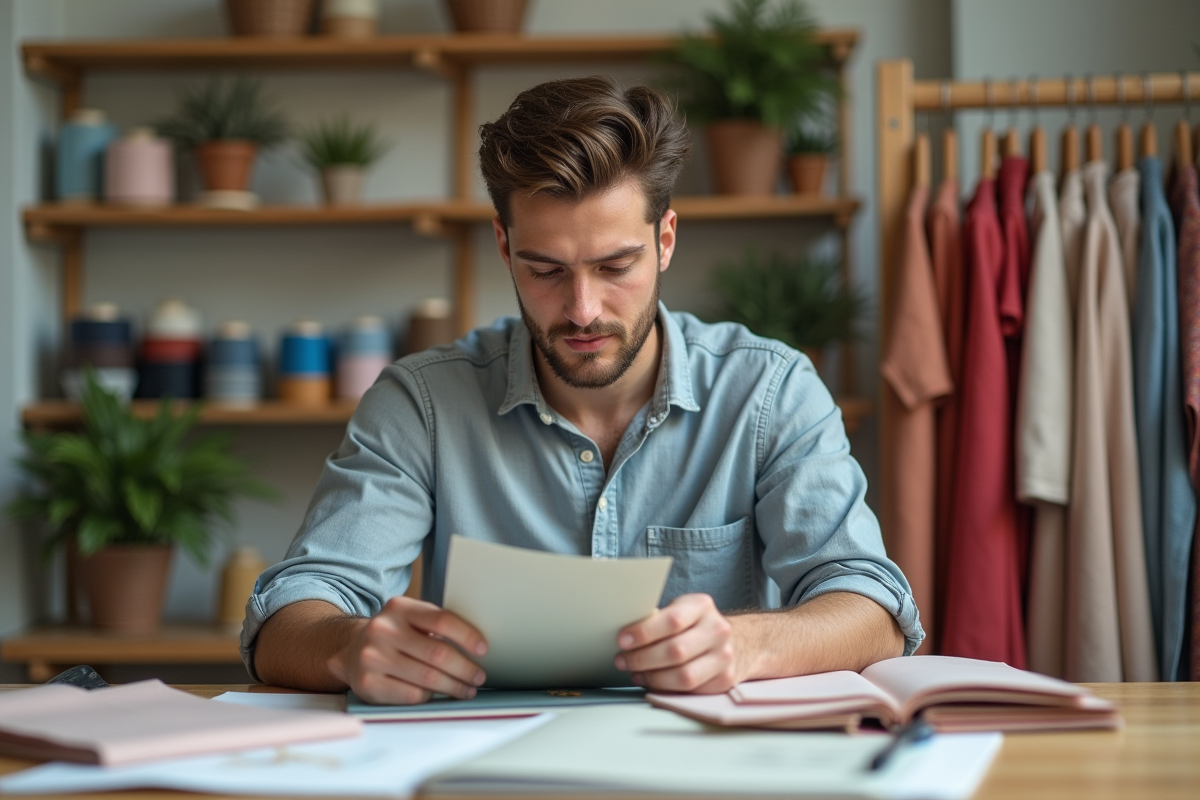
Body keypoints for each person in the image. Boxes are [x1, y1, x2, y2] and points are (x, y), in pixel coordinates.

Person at [243, 76, 923, 704]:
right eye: (546, 270)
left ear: (665, 239)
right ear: (505, 247)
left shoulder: (769, 391)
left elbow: (872, 608)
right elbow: (292, 611)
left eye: (614, 265)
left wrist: (748, 645)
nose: (583, 309)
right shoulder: (421, 404)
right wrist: (350, 647)